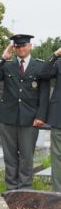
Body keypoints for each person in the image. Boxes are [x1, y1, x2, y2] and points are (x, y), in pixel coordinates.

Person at [0, 34, 51, 190]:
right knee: (9, 156)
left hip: (30, 120)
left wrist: (41, 116)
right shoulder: (7, 65)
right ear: (14, 48)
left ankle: (25, 188)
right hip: (7, 118)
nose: (21, 49)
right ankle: (11, 188)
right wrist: (3, 57)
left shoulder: (40, 66)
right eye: (17, 46)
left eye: (24, 46)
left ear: (30, 46)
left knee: (26, 156)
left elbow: (44, 94)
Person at [46, 47, 61, 192]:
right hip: (59, 118)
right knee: (57, 157)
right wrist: (56, 54)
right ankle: (58, 194)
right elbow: (43, 73)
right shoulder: (58, 63)